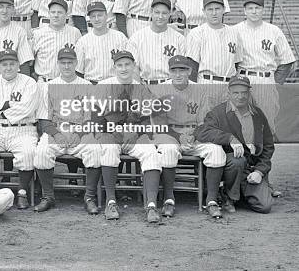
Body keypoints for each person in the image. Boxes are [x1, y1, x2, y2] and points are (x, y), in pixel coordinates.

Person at [150, 55, 226, 218]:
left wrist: (191, 136)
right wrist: (179, 138)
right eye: (174, 70)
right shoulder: (159, 90)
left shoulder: (201, 90)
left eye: (182, 70)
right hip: (169, 134)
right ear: (169, 72)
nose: (178, 74)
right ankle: (169, 199)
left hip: (194, 134)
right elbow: (159, 124)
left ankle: (211, 200)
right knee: (168, 150)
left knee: (216, 151)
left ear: (190, 71)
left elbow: (206, 121)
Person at [96, 51, 163, 223]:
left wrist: (136, 132)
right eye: (120, 65)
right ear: (114, 68)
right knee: (109, 149)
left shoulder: (142, 89)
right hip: (111, 133)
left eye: (127, 65)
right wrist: (112, 129)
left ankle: (151, 205)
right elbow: (95, 118)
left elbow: (149, 120)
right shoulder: (103, 86)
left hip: (134, 135)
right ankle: (111, 202)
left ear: (134, 66)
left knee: (151, 153)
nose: (124, 68)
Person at [33, 47, 102, 214]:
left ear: (76, 63)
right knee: (42, 152)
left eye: (70, 62)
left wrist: (79, 134)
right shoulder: (48, 86)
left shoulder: (87, 86)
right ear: (57, 64)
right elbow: (43, 120)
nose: (66, 66)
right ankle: (48, 196)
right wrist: (57, 135)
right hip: (56, 131)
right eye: (63, 63)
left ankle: (90, 197)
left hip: (82, 131)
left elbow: (94, 118)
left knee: (95, 151)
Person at [197, 75, 275, 214]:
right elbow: (202, 132)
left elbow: (268, 147)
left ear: (249, 93)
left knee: (265, 206)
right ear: (228, 94)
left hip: (251, 169)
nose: (240, 96)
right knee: (237, 160)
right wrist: (229, 138)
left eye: (244, 92)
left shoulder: (258, 114)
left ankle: (240, 193)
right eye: (236, 92)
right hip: (230, 167)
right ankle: (229, 197)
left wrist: (259, 171)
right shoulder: (218, 112)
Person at [0, 49, 39, 209]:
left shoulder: (29, 83)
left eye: (12, 64)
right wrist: (9, 105)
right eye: (4, 64)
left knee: (28, 152)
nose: (8, 68)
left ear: (18, 65)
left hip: (23, 129)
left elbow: (27, 109)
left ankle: (22, 192)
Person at [232, 0, 296, 134]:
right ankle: (245, 155)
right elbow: (229, 57)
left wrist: (274, 80)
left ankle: (264, 156)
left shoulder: (274, 31)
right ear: (244, 11)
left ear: (263, 10)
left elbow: (287, 60)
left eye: (257, 7)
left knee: (267, 122)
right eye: (250, 8)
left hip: (265, 78)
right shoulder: (234, 30)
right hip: (243, 78)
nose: (254, 11)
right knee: (241, 122)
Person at [185, 0, 243, 106]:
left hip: (228, 86)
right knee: (206, 122)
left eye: (217, 8)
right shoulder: (196, 33)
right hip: (206, 83)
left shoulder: (235, 33)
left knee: (228, 122)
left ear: (224, 9)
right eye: (210, 9)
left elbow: (236, 63)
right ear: (204, 11)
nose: (214, 12)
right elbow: (192, 66)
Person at [126, 0, 185, 85]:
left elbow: (183, 69)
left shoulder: (179, 39)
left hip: (171, 86)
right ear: (151, 12)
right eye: (157, 12)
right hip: (146, 86)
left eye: (164, 13)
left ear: (170, 14)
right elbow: (134, 70)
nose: (160, 16)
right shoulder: (137, 38)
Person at [75, 1, 127, 84]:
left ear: (106, 16)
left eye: (99, 15)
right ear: (89, 19)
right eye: (93, 16)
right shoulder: (83, 42)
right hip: (92, 85)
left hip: (115, 85)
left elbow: (128, 66)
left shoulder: (120, 37)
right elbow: (78, 72)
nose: (96, 19)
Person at [32, 0, 82, 82]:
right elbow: (30, 62)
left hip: (67, 82)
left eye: (60, 12)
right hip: (45, 81)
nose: (56, 15)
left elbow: (80, 60)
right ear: (48, 14)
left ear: (66, 15)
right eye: (53, 12)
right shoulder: (38, 33)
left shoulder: (75, 33)